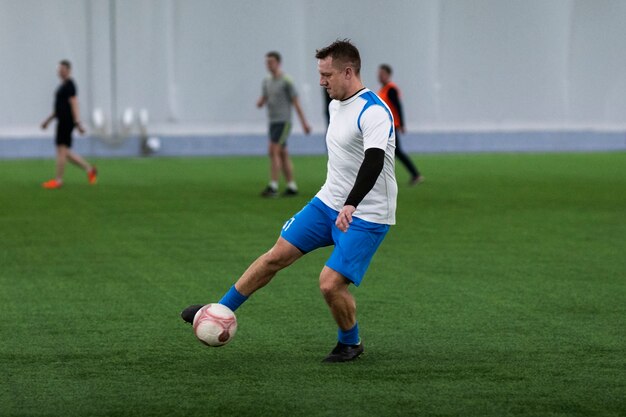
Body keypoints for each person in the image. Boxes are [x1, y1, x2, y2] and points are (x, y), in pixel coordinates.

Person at [182, 40, 398, 363]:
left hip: (366, 214)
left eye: (327, 75)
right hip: (327, 203)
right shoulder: (336, 103)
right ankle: (221, 308)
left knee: (329, 284)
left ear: (349, 72)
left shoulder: (375, 111)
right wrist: (339, 201)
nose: (321, 82)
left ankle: (350, 343)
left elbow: (374, 162)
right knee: (275, 256)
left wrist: (351, 204)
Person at [257, 51, 311, 197]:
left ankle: (273, 186)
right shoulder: (267, 81)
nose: (269, 65)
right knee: (282, 153)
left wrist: (304, 123)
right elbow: (264, 97)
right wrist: (261, 102)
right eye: (267, 62)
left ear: (278, 63)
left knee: (273, 150)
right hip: (273, 121)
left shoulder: (286, 81)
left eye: (271, 62)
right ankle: (291, 186)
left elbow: (296, 103)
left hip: (284, 121)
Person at [41, 60, 97, 189]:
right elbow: (59, 107)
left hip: (67, 122)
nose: (61, 71)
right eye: (60, 69)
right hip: (61, 121)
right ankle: (90, 169)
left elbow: (74, 103)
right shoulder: (62, 86)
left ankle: (58, 180)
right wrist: (48, 120)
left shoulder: (70, 85)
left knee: (61, 151)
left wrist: (77, 122)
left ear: (69, 71)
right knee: (65, 152)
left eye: (63, 69)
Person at [378, 64, 423, 185]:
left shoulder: (391, 89)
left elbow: (398, 106)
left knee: (393, 151)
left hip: (391, 126)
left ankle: (416, 174)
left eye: (382, 74)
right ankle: (415, 174)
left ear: (388, 75)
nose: (379, 76)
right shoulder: (383, 89)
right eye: (379, 74)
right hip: (385, 126)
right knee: (388, 151)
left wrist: (402, 124)